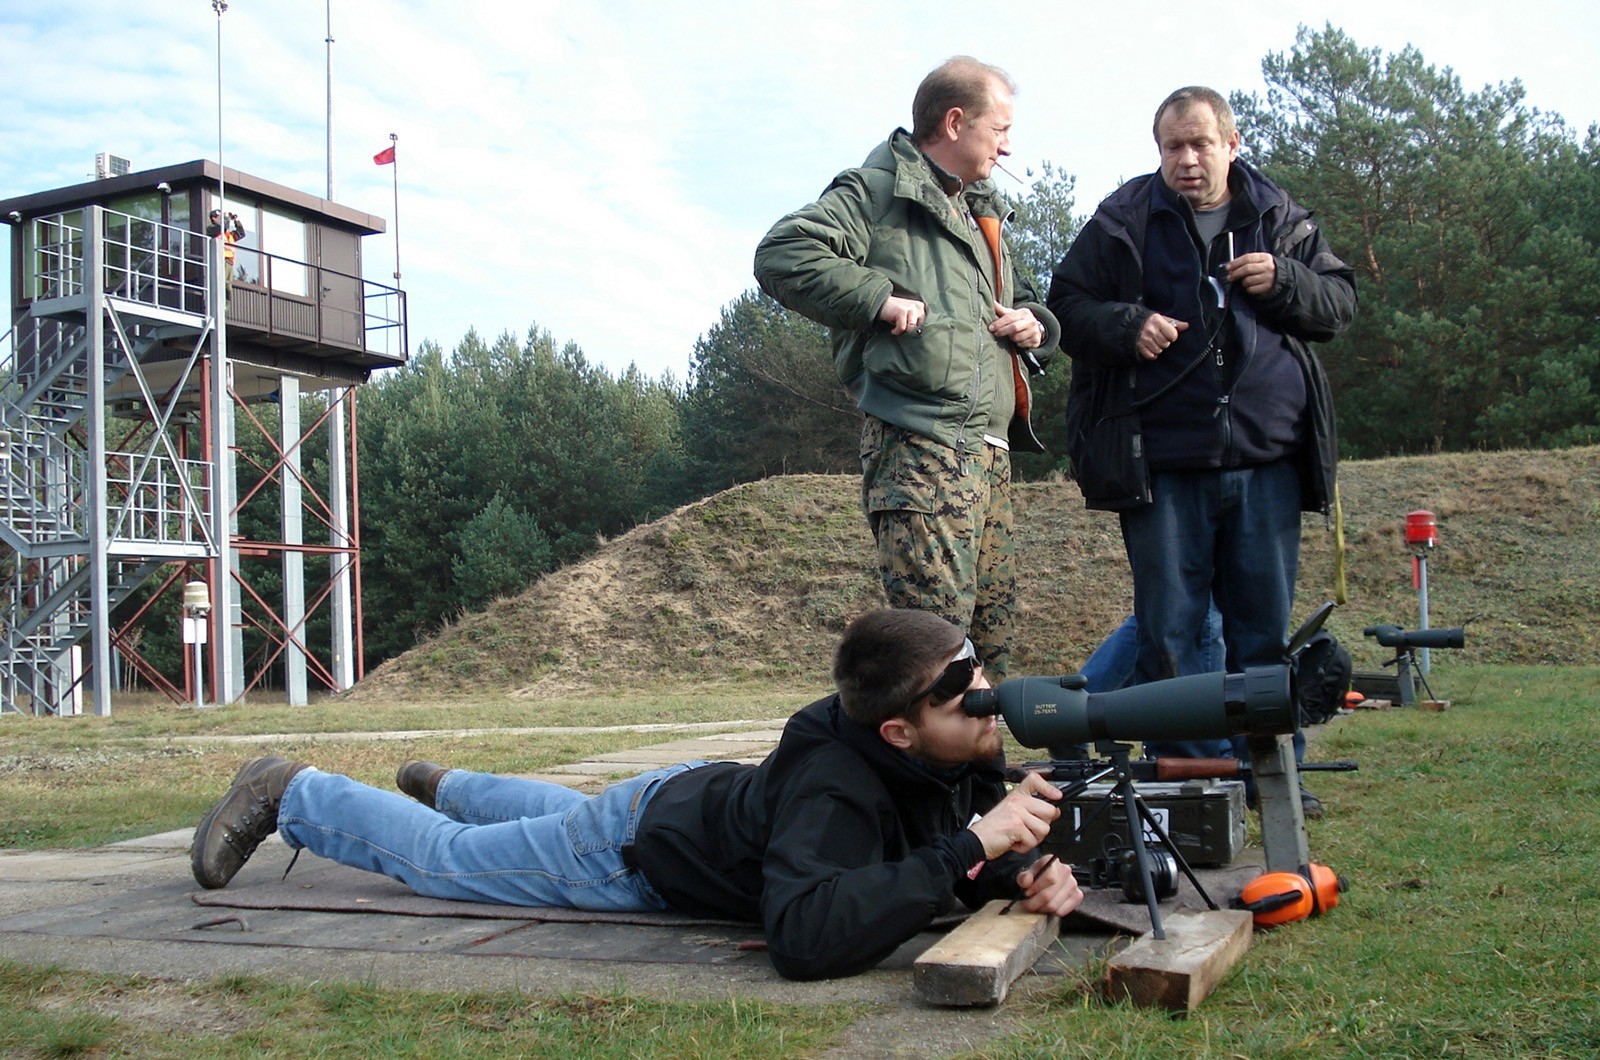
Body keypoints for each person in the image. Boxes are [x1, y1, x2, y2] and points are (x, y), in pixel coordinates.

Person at [189, 608, 1082, 982]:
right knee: (449, 862)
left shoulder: (956, 742)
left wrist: (1020, 868)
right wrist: (973, 848)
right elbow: (804, 939)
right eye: (959, 687)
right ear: (898, 731)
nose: (985, 695)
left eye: (977, 669)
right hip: (633, 855)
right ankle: (293, 790)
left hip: (678, 800)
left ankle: (449, 783)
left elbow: (946, 839)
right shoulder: (834, 788)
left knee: (559, 817)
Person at [1047, 86, 1355, 816]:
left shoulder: (1278, 216)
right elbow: (1066, 310)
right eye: (1172, 147)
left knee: (1261, 637)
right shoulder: (1123, 219)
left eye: (1200, 144)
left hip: (1267, 463)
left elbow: (1339, 304)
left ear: (1231, 144)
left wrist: (1284, 279)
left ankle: (1269, 777)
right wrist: (1127, 325)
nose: (1186, 159)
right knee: (1170, 636)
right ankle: (1189, 783)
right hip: (1162, 464)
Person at [753, 57, 1060, 680]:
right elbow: (784, 253)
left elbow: (1028, 302)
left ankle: (978, 749)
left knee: (991, 650)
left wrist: (1036, 326)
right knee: (936, 651)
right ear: (955, 122)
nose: (1008, 145)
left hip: (991, 455)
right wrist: (878, 298)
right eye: (1000, 129)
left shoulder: (982, 213)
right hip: (921, 449)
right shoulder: (877, 191)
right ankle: (907, 748)